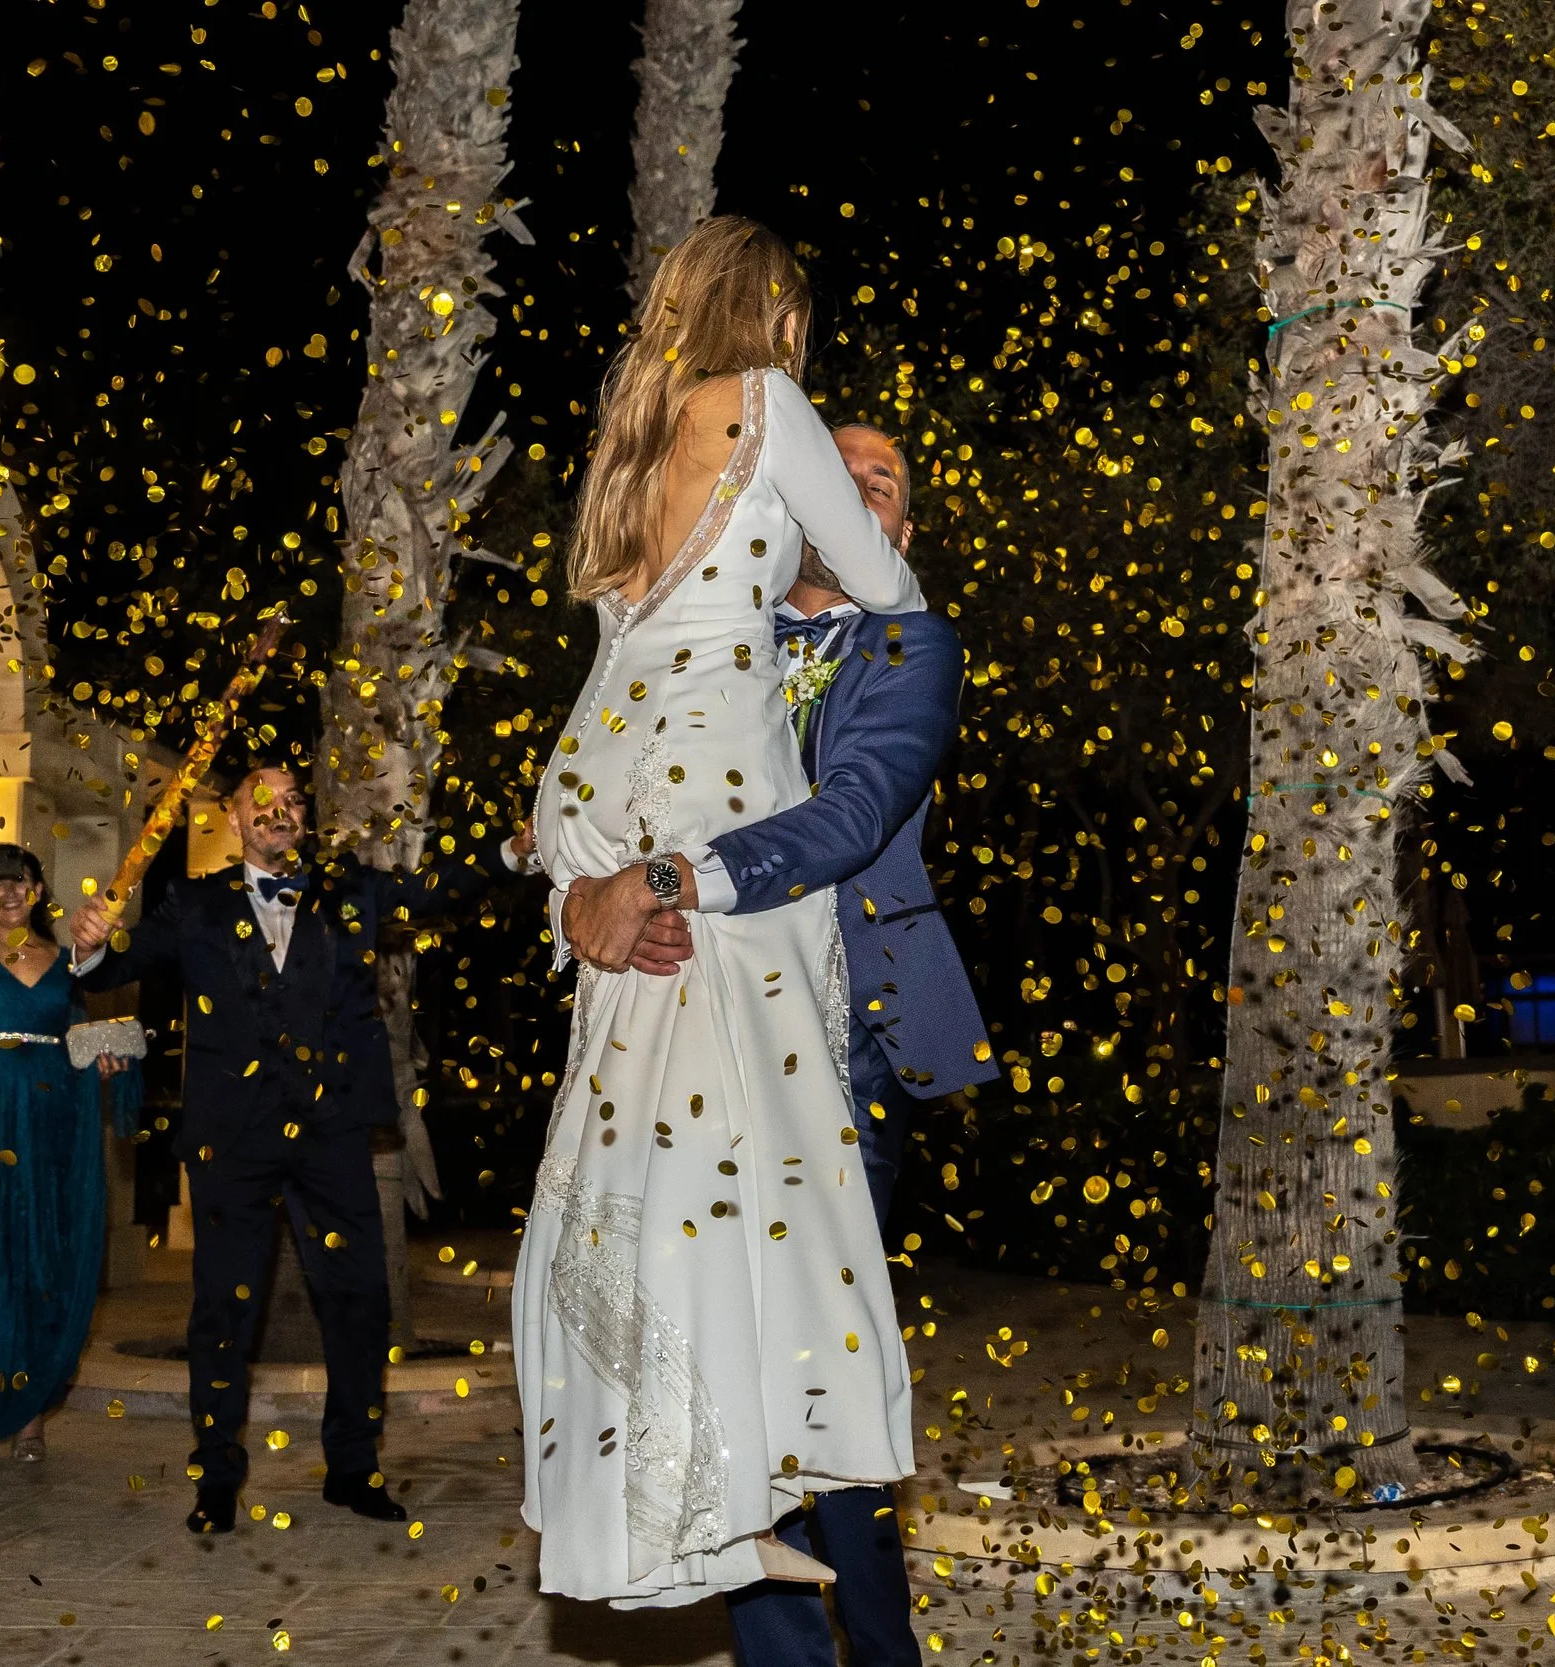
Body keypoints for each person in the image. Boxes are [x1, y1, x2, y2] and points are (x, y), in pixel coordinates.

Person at [515, 215, 925, 1608]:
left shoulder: (629, 445)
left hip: (605, 774)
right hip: (714, 780)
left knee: (638, 1158)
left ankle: (673, 1502)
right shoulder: (760, 401)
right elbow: (877, 578)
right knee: (759, 1151)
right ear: (779, 316)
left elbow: (625, 640)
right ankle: (714, 1486)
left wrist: (590, 875)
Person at [592, 424, 996, 1667]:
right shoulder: (706, 636)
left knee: (823, 1354)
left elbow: (854, 812)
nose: (860, 486)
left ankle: (879, 1648)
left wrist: (668, 877)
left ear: (902, 533)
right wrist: (587, 897)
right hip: (702, 1032)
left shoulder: (911, 644)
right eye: (839, 468)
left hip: (850, 1038)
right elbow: (610, 791)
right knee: (729, 1353)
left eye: (887, 482)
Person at [70, 754, 532, 1533]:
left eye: (290, 799)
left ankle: (353, 1466)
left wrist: (513, 852)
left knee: (358, 1301)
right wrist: (88, 945)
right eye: (262, 799)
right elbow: (116, 963)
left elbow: (434, 890)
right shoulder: (193, 901)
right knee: (223, 1309)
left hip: (333, 1135)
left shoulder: (350, 889)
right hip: (231, 1142)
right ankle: (217, 1477)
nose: (278, 809)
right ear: (234, 818)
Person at [0, 843, 138, 1462]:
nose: (8, 891)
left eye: (20, 881)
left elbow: (78, 1038)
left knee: (43, 1254)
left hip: (52, 1117)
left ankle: (31, 1416)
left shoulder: (68, 961)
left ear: (38, 890)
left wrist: (104, 1057)